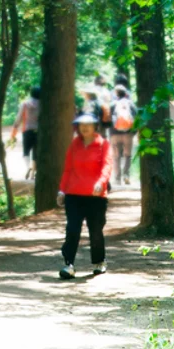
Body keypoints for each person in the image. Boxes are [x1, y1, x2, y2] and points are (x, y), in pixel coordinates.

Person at [57, 114, 112, 279]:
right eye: (81, 125)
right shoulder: (74, 145)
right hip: (74, 195)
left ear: (95, 126)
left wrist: (101, 183)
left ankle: (99, 262)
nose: (85, 127)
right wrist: (62, 190)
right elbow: (68, 170)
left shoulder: (103, 144)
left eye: (88, 124)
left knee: (95, 230)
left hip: (96, 196)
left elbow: (107, 167)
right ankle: (69, 264)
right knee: (72, 229)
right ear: (78, 127)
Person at [9, 86, 41, 179]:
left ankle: (28, 167)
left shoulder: (25, 104)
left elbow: (18, 119)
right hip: (39, 131)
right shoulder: (43, 104)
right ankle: (32, 176)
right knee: (35, 153)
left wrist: (13, 133)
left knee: (26, 152)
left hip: (27, 130)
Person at [110, 85, 136, 187]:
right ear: (126, 93)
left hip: (115, 134)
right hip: (128, 134)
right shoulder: (130, 104)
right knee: (127, 156)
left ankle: (117, 178)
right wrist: (133, 132)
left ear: (116, 94)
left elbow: (107, 119)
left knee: (116, 157)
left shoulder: (112, 104)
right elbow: (136, 118)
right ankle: (126, 175)